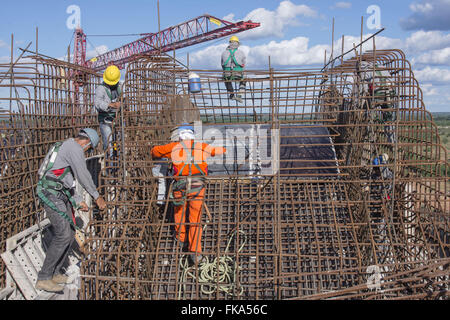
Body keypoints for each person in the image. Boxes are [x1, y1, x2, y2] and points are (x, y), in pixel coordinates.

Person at [35, 128, 107, 292]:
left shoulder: (65, 146)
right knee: (64, 234)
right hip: (51, 193)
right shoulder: (74, 148)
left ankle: (55, 273)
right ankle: (44, 277)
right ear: (86, 142)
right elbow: (82, 174)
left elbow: (65, 178)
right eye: (89, 148)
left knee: (70, 231)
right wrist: (97, 196)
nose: (87, 151)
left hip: (59, 192)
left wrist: (77, 200)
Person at [151, 125, 226, 264]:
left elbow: (155, 152)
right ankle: (195, 252)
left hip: (180, 185)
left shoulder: (174, 147)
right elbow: (218, 151)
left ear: (180, 137)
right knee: (195, 218)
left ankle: (180, 239)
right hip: (197, 186)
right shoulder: (201, 146)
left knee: (179, 212)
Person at [94, 65, 122, 155]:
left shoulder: (120, 87)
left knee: (119, 144)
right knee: (109, 145)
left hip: (118, 120)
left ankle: (118, 162)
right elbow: (97, 103)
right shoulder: (101, 88)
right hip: (105, 120)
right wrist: (111, 105)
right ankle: (109, 166)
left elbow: (125, 99)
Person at [221, 36, 246, 103]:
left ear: (230, 43)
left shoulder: (224, 53)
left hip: (227, 73)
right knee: (243, 81)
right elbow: (243, 65)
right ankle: (239, 96)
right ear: (237, 44)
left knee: (226, 80)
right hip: (238, 73)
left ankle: (232, 94)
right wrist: (243, 74)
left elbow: (222, 65)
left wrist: (225, 73)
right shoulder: (241, 53)